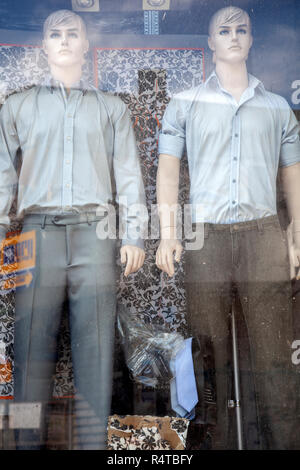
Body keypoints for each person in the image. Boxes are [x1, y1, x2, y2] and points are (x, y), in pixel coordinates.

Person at [0, 9, 146, 449]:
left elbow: (129, 176)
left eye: (73, 34)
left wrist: (135, 234)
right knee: (29, 354)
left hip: (95, 233)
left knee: (96, 354)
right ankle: (23, 443)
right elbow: (3, 173)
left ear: (87, 45)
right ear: (43, 47)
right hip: (36, 233)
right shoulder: (17, 106)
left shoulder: (111, 108)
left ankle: (94, 448)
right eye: (55, 34)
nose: (64, 41)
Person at [156, 5, 300, 449]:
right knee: (209, 359)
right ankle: (213, 446)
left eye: (242, 29)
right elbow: (166, 171)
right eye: (224, 29)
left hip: (263, 236)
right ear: (210, 42)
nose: (234, 35)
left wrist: (295, 233)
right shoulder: (185, 103)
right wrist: (168, 233)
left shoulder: (277, 109)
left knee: (275, 360)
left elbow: (293, 175)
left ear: (252, 40)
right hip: (207, 240)